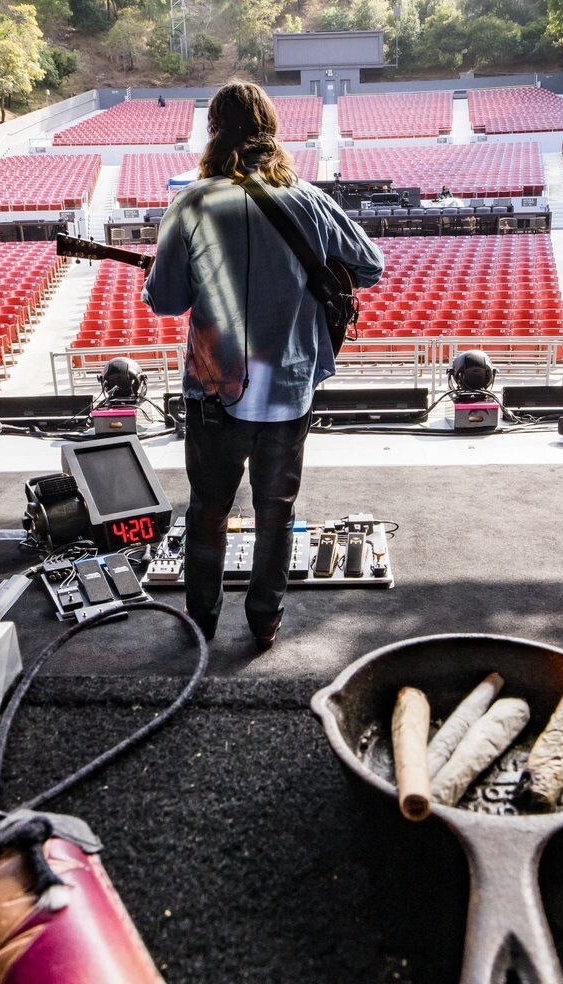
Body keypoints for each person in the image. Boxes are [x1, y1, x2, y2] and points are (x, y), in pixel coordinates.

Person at [142, 81, 384, 651]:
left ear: (214, 131)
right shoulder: (309, 199)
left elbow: (167, 300)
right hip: (289, 391)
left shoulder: (193, 204)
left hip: (215, 392)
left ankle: (201, 621)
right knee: (276, 511)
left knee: (208, 512)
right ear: (270, 130)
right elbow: (370, 266)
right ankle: (265, 621)